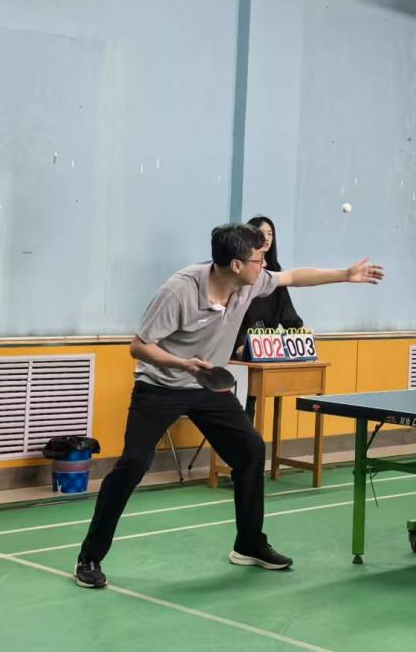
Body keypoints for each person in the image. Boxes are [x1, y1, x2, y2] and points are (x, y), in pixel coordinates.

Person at [75, 223, 383, 589]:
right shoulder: (179, 291)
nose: (264, 265)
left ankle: (248, 544)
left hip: (207, 385)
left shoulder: (250, 282)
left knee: (251, 450)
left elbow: (293, 277)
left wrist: (345, 274)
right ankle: (89, 557)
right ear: (236, 265)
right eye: (258, 259)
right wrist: (184, 365)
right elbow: (139, 347)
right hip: (161, 385)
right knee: (133, 465)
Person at [234, 215, 303, 364]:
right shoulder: (239, 273)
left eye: (270, 234)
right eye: (261, 233)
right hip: (238, 349)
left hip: (267, 349)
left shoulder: (275, 274)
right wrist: (240, 345)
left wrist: (300, 332)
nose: (266, 238)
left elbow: (287, 312)